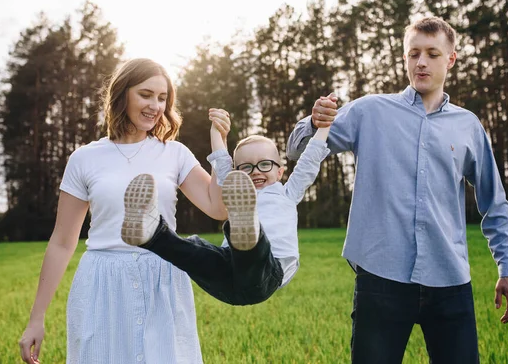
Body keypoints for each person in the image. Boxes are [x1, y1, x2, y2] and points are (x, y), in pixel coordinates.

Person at [286, 17, 508, 363]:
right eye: (413, 54)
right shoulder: (369, 111)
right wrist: (314, 120)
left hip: (450, 282)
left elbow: (495, 205)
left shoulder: (468, 126)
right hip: (380, 280)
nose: (421, 62)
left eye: (432, 53)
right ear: (404, 58)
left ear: (451, 59)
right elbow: (296, 149)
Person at [18, 58, 228, 364]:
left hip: (162, 277)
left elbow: (217, 208)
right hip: (102, 282)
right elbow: (62, 242)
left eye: (162, 98)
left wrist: (219, 146)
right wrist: (36, 318)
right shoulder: (85, 158)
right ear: (122, 94)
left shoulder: (175, 154)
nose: (155, 105)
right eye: (145, 94)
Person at [121, 108, 332, 305]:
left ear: (280, 172)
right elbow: (222, 163)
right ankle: (151, 233)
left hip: (267, 273)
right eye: (246, 168)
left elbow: (309, 162)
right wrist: (217, 132)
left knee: (254, 252)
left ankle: (247, 233)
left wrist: (324, 127)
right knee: (195, 251)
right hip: (227, 275)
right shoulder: (236, 188)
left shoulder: (287, 193)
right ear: (237, 172)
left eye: (265, 164)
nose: (256, 171)